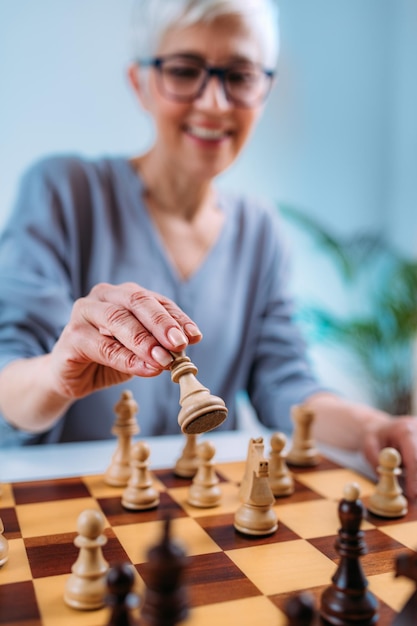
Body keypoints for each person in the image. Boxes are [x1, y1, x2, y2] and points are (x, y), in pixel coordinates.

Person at [1, 0, 417, 499]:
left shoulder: (261, 231)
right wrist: (55, 375)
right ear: (141, 83)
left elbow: (287, 386)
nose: (216, 103)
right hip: (71, 506)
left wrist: (378, 428)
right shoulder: (62, 191)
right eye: (184, 70)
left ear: (265, 91)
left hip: (203, 516)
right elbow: (9, 379)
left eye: (239, 76)